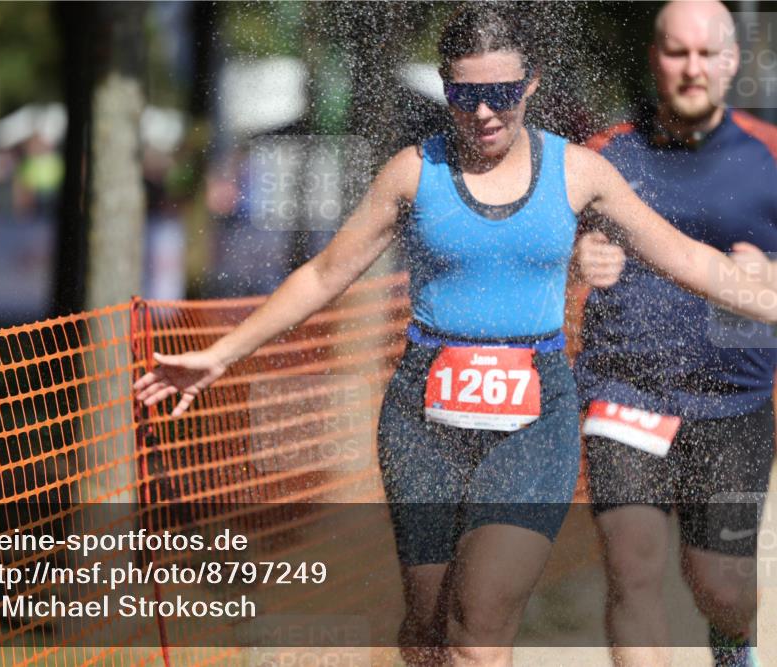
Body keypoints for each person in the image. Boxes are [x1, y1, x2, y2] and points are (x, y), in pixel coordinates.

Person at [135, 4, 777, 665]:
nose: (485, 113)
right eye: (466, 96)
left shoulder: (579, 173)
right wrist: (219, 354)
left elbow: (693, 260)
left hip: (535, 420)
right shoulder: (413, 173)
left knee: (476, 630)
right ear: (447, 90)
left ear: (530, 85)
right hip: (424, 420)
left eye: (501, 94)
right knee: (429, 626)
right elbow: (324, 273)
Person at [571, 2, 777, 666]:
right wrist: (581, 259)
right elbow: (542, 244)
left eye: (706, 53)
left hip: (734, 401)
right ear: (656, 58)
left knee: (723, 585)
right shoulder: (606, 156)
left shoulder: (769, 155)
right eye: (677, 53)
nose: (692, 69)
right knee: (633, 567)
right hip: (625, 391)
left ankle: (731, 642)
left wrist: (767, 272)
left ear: (732, 61)